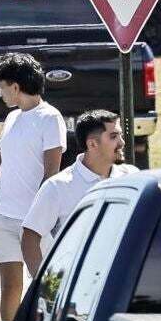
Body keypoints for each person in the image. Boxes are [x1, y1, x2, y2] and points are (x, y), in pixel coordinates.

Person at [0, 52, 61, 321]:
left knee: (46, 287)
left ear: (16, 87)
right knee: (10, 288)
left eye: (1, 86)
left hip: (33, 222)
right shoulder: (12, 118)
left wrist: (38, 219)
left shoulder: (49, 117)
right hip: (2, 217)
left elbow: (51, 174)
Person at [21, 109, 135, 275]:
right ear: (92, 144)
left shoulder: (132, 177)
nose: (122, 142)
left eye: (120, 135)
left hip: (125, 283)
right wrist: (45, 289)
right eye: (113, 136)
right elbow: (30, 238)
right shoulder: (57, 187)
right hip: (78, 288)